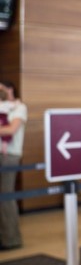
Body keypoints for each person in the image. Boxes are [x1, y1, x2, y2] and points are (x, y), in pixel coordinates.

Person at [0, 81, 26, 250]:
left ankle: (11, 239)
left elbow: (11, 129)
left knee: (5, 196)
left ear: (10, 89)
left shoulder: (19, 107)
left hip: (9, 156)